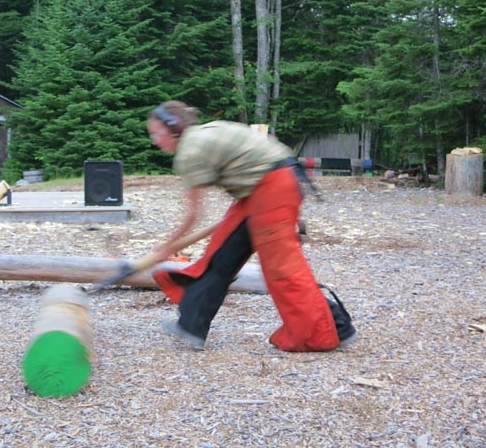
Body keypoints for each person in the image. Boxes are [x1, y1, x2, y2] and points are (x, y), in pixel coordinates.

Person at [146, 100, 357, 352]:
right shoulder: (204, 134)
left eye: (157, 134)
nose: (155, 141)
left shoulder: (190, 151)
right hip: (258, 189)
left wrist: (166, 247)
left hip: (273, 187)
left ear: (174, 128)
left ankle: (331, 329)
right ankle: (192, 325)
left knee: (281, 267)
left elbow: (193, 214)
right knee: (222, 252)